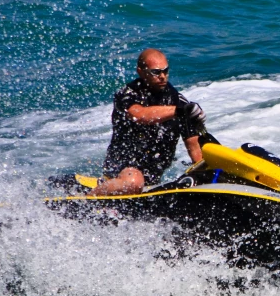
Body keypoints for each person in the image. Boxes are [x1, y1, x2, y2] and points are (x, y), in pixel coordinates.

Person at [88, 48, 206, 196]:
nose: (162, 76)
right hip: (123, 167)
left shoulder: (178, 101)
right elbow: (140, 115)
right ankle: (87, 199)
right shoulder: (126, 95)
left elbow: (194, 148)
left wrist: (204, 174)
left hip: (153, 177)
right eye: (156, 72)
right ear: (141, 72)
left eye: (165, 71)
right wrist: (179, 111)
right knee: (134, 183)